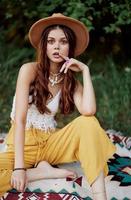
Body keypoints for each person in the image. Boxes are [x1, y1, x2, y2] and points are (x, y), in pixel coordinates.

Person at [0, 13, 116, 200]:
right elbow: (20, 121)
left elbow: (88, 111)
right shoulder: (28, 70)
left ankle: (100, 195)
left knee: (88, 122)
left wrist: (85, 71)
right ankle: (38, 172)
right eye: (51, 41)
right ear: (44, 46)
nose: (56, 46)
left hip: (49, 145)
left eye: (63, 41)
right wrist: (20, 169)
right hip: (21, 147)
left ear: (70, 47)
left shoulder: (70, 81)